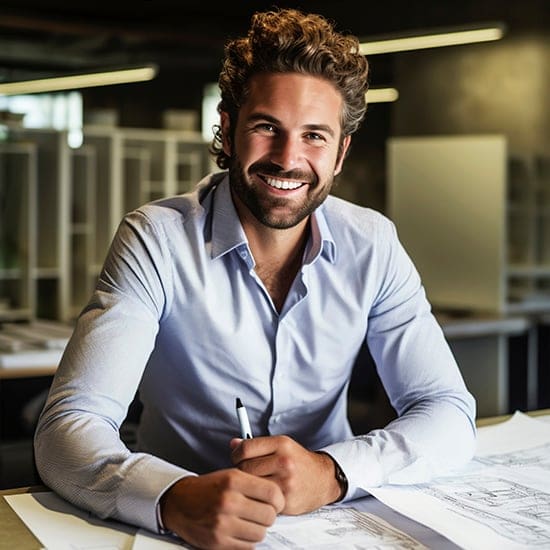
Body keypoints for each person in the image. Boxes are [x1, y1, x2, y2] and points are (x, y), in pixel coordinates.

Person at [34, 7, 476, 549]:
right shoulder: (156, 238)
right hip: (176, 533)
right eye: (267, 127)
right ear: (227, 127)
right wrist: (170, 496)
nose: (288, 159)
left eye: (315, 135)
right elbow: (68, 427)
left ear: (341, 152)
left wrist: (333, 472)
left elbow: (449, 413)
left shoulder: (374, 243)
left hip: (331, 526)